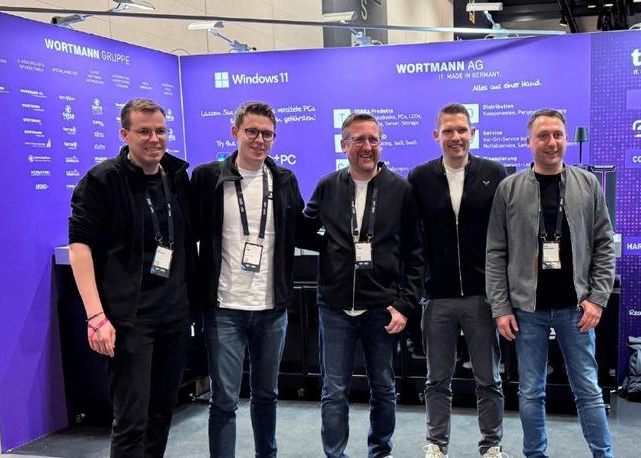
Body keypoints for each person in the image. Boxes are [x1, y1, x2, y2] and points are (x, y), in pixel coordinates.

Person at [190, 101, 319, 458]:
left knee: (266, 395)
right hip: (224, 309)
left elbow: (301, 231)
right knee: (224, 400)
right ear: (235, 133)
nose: (259, 140)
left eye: (267, 134)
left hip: (271, 309)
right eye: (252, 132)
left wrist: (343, 241)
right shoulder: (207, 178)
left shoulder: (284, 180)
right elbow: (189, 232)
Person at [485, 108, 617, 458]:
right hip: (526, 311)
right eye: (543, 135)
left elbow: (604, 244)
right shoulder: (509, 189)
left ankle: (603, 454)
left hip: (577, 309)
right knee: (531, 391)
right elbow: (495, 252)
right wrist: (500, 307)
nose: (551, 142)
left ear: (566, 140)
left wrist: (598, 299)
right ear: (528, 142)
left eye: (557, 135)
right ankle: (535, 454)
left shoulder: (587, 184)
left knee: (588, 389)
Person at [68, 98, 193, 457]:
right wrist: (96, 316)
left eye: (160, 131)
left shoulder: (176, 176)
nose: (155, 139)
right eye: (144, 132)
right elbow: (80, 247)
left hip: (173, 316)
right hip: (130, 321)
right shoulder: (103, 180)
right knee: (131, 421)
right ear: (125, 134)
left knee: (161, 415)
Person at [304, 112, 424, 458]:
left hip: (381, 308)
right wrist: (334, 250)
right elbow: (305, 231)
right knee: (334, 390)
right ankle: (335, 454)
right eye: (359, 139)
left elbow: (416, 253)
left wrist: (404, 304)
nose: (367, 146)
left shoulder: (401, 190)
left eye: (373, 139)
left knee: (383, 388)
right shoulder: (327, 186)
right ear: (344, 145)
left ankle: (380, 451)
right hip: (335, 307)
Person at [408, 103, 509, 458]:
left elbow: (506, 233)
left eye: (462, 130)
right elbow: (412, 236)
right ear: (437, 135)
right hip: (437, 296)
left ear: (472, 134)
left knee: (488, 378)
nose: (456, 137)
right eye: (448, 131)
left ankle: (491, 445)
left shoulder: (494, 173)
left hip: (483, 295)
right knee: (437, 379)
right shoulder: (420, 177)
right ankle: (436, 444)